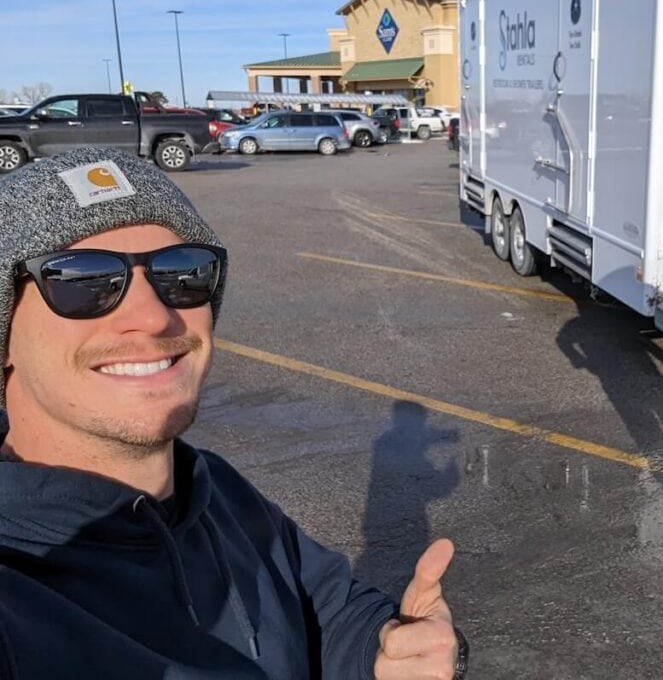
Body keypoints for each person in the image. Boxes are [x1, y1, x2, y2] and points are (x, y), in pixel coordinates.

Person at [0, 147, 469, 679]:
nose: (153, 317)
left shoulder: (215, 492)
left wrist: (382, 649)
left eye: (181, 273)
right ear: (6, 336)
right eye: (81, 280)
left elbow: (325, 605)